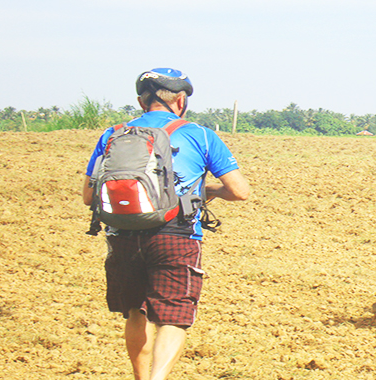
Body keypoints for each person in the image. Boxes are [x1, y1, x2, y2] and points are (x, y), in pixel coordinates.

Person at [82, 68, 250, 380]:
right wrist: (208, 190)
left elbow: (88, 196)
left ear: (141, 102)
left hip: (121, 234)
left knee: (136, 312)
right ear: (181, 101)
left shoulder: (112, 135)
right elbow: (240, 191)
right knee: (174, 317)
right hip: (176, 235)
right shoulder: (199, 134)